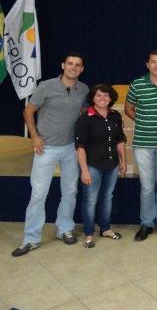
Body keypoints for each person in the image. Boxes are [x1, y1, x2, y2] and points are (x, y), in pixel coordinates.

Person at [12, 52, 89, 257]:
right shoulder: (46, 86)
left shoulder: (84, 90)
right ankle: (31, 238)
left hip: (71, 148)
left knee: (70, 191)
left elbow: (84, 116)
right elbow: (28, 112)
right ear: (63, 65)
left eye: (77, 65)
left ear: (82, 69)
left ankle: (64, 229)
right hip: (45, 148)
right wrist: (34, 136)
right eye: (70, 63)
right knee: (38, 194)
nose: (73, 67)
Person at [125, 49, 157, 241]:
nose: (156, 65)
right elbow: (129, 108)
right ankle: (146, 223)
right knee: (147, 187)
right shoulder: (137, 84)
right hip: (143, 143)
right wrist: (142, 119)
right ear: (147, 65)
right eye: (153, 62)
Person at [75, 84, 127, 248]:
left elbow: (119, 140)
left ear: (111, 98)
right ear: (93, 98)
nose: (102, 98)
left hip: (112, 165)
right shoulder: (85, 118)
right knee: (90, 200)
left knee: (107, 198)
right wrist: (84, 170)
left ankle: (105, 229)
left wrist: (123, 161)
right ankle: (89, 234)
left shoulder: (115, 115)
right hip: (92, 166)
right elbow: (80, 146)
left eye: (106, 95)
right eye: (98, 96)